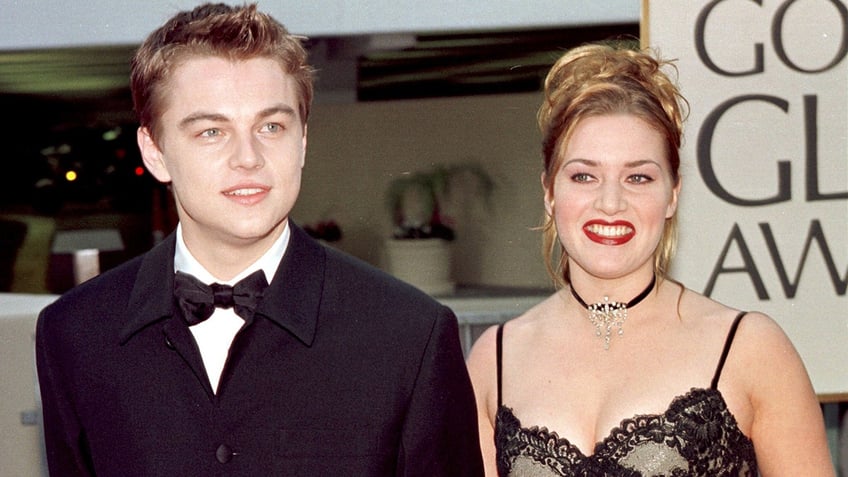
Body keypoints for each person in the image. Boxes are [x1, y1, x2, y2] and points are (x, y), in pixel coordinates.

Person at [36, 4, 483, 476]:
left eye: (271, 127)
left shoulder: (409, 334)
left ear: (303, 141)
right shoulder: (74, 333)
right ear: (155, 152)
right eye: (212, 131)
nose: (248, 157)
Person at [466, 43, 834, 476]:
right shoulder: (495, 358)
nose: (610, 202)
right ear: (549, 191)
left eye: (638, 177)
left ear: (672, 195)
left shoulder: (749, 348)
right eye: (584, 175)